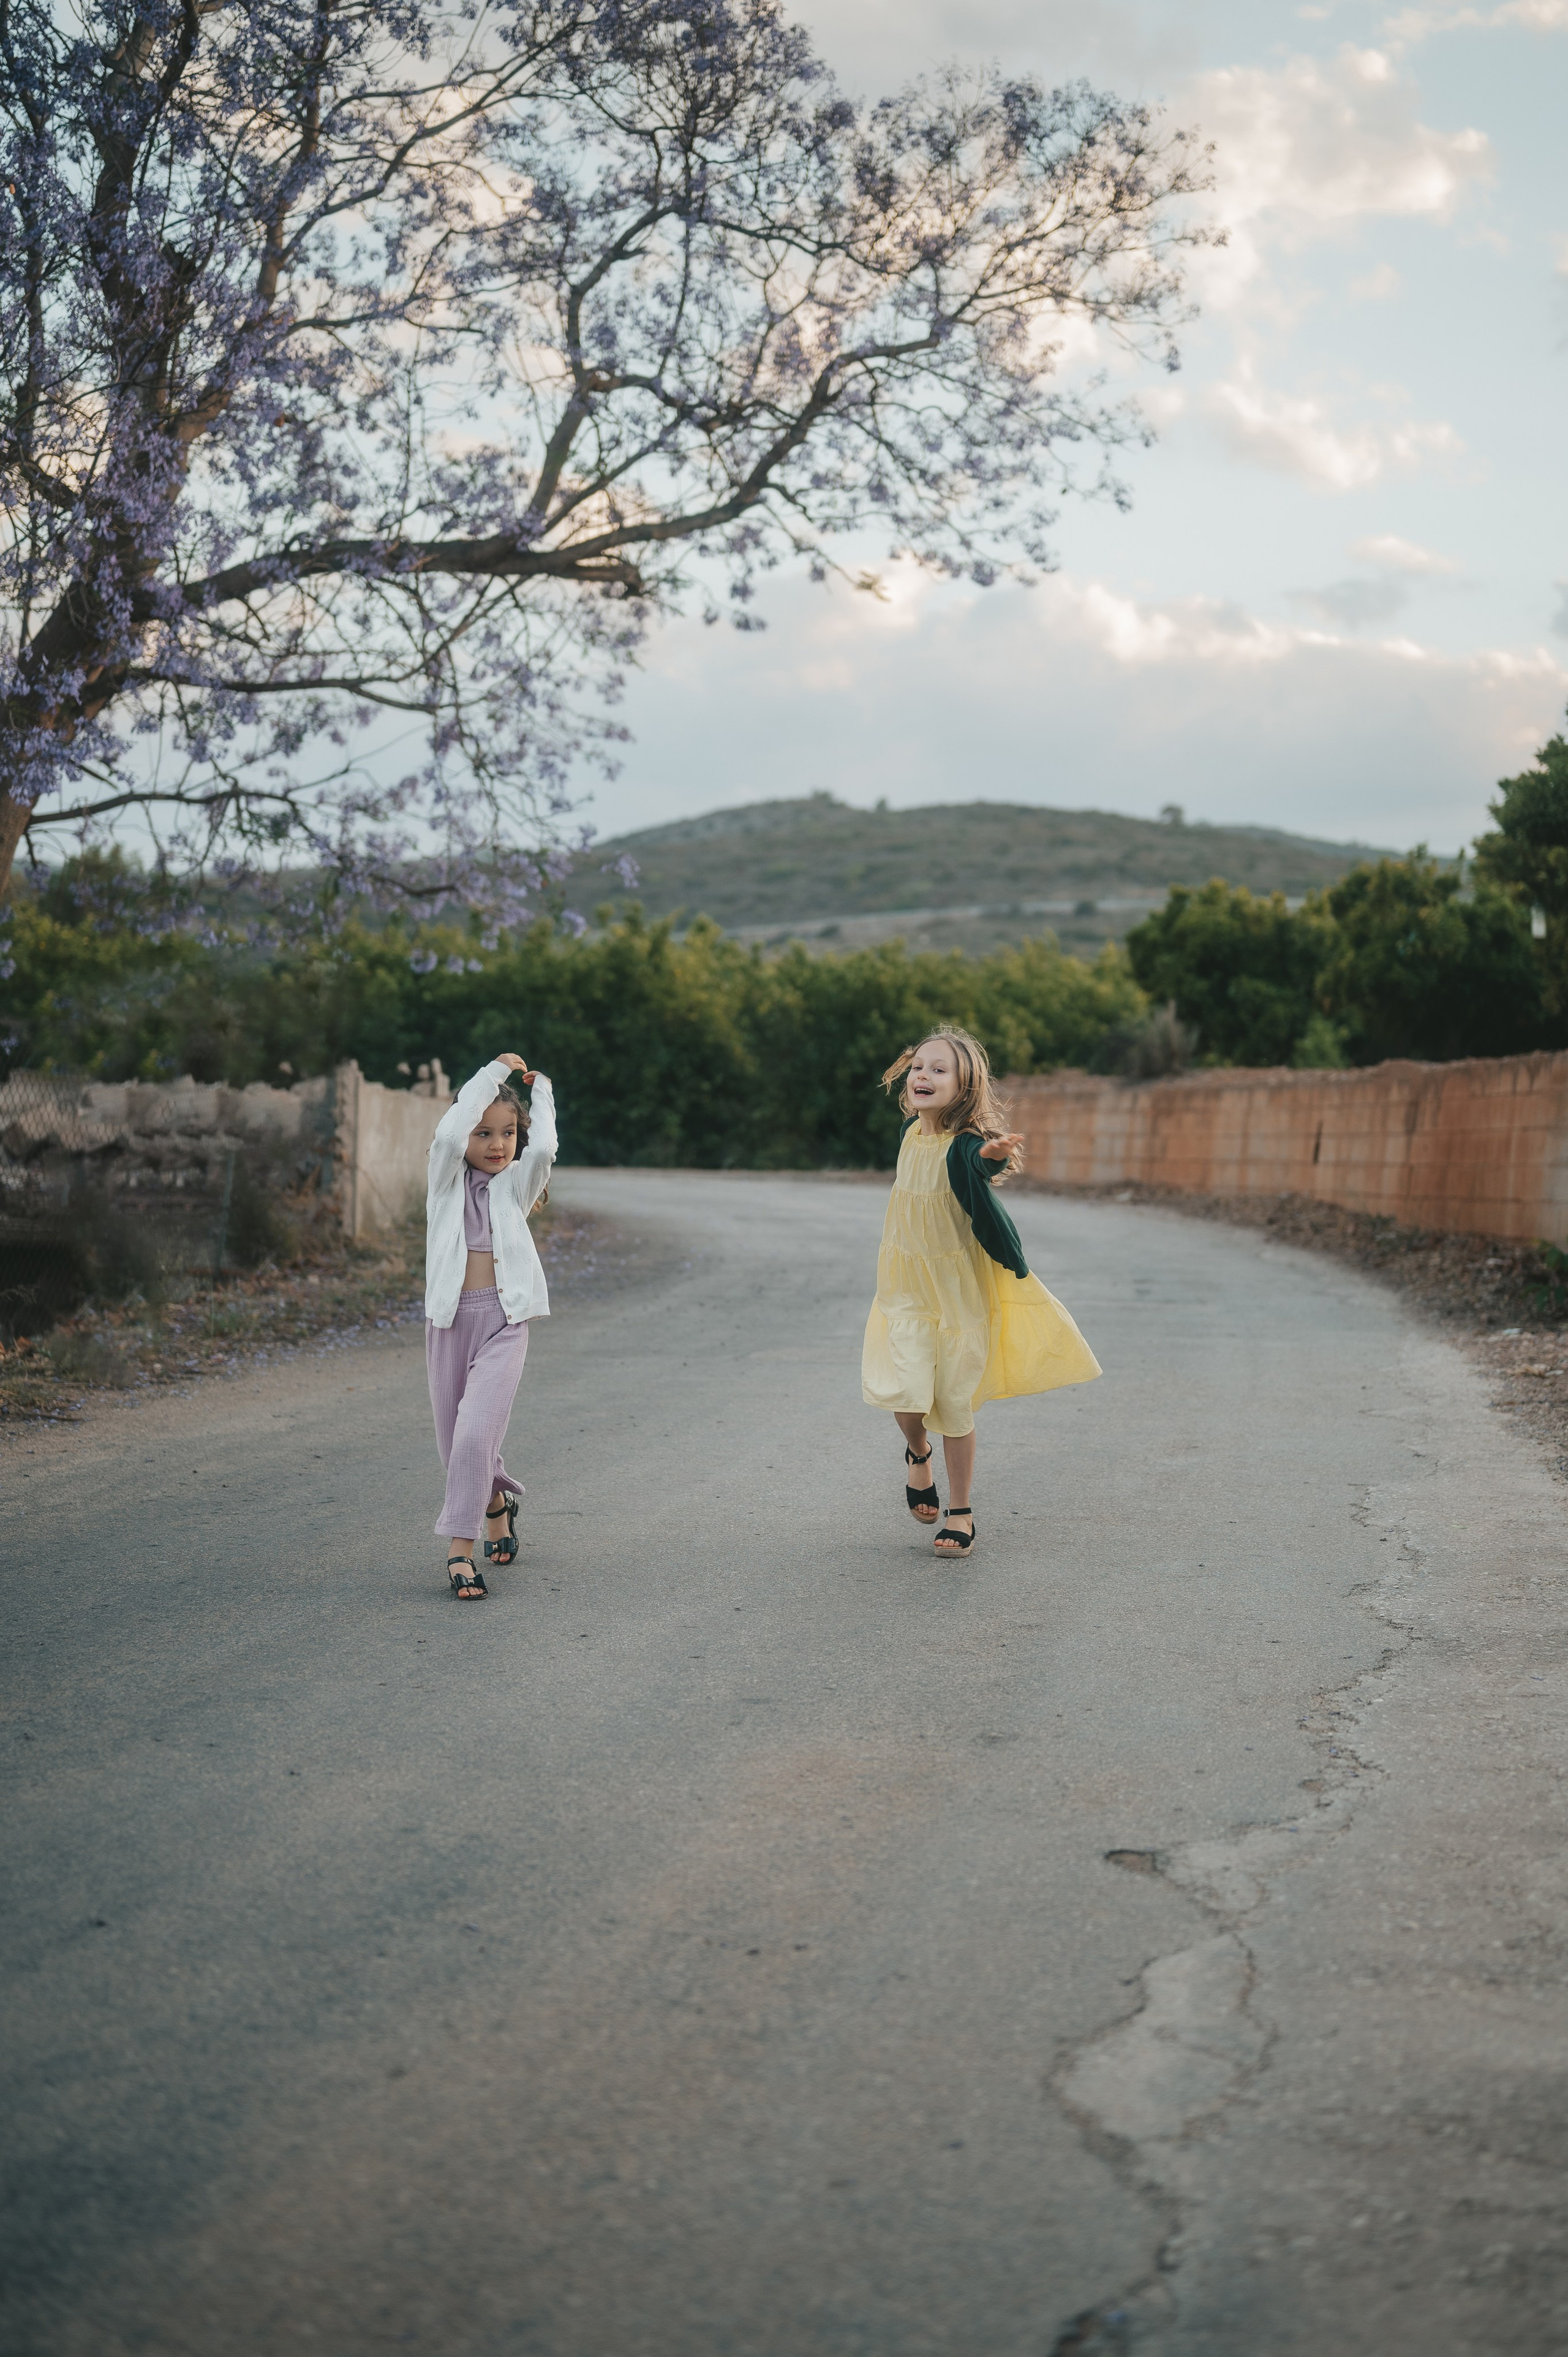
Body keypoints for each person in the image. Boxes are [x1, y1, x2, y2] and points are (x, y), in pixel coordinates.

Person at [861, 1027, 1099, 1557]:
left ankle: (962, 1510)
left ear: (965, 1086)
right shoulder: (908, 1133)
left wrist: (991, 1155)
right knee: (905, 1390)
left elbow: (978, 1165)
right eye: (920, 1066)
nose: (924, 1075)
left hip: (955, 1291)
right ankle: (917, 1453)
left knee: (953, 1401)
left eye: (940, 1069)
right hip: (906, 1285)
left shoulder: (965, 1144)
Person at [424, 1051, 557, 1598]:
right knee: (458, 1446)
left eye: (506, 1134)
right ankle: (497, 1501)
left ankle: (460, 1549)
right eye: (486, 1133)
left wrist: (541, 1088)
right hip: (450, 1325)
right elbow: (452, 1133)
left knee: (476, 1433)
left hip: (504, 1325)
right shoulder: (444, 1184)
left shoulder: (514, 1188)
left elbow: (545, 1148)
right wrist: (492, 1075)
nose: (497, 1144)